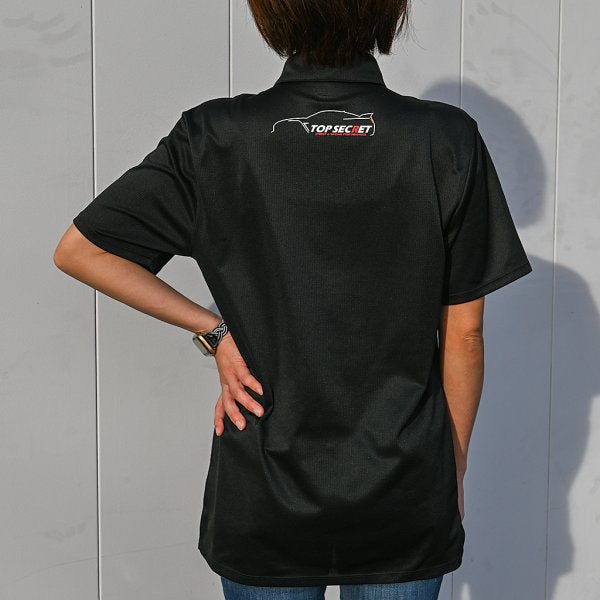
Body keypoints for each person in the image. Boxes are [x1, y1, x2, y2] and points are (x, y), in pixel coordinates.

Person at [53, 1, 533, 598]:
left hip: (263, 488)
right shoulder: (444, 138)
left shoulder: (215, 136)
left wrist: (215, 332)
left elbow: (81, 250)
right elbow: (465, 335)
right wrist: (451, 465)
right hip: (404, 485)